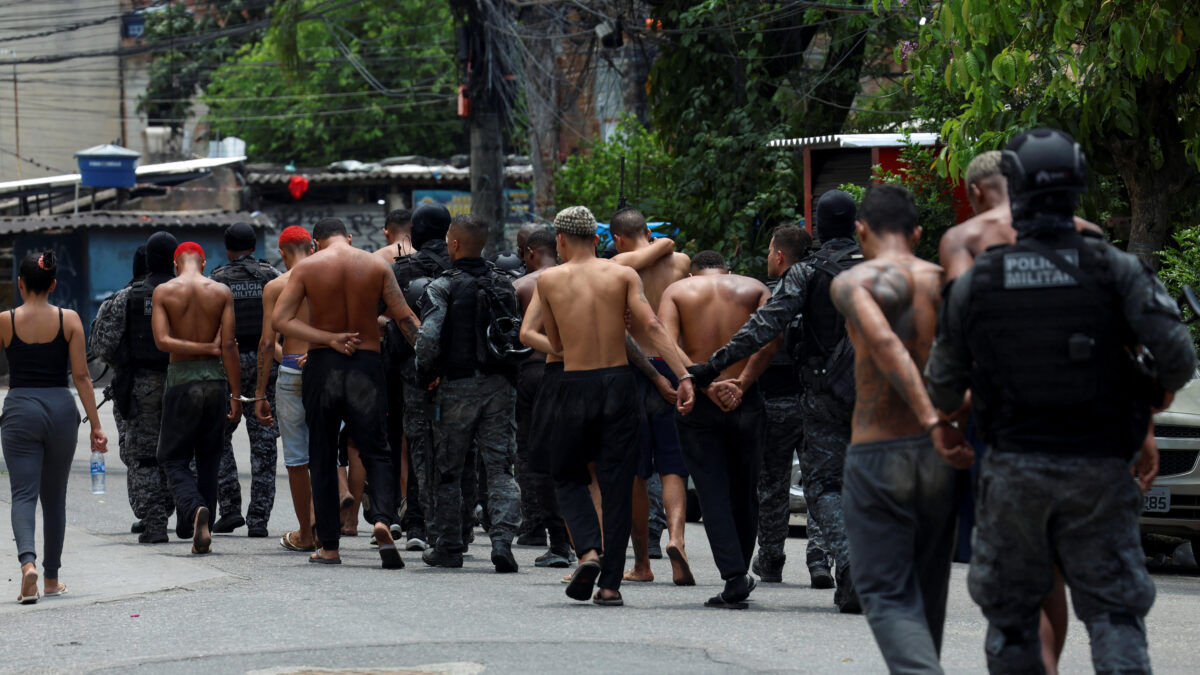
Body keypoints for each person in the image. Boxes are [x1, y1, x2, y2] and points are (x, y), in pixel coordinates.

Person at [926, 128, 1197, 674]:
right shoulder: (1115, 269)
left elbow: (943, 385)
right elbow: (1177, 358)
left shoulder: (977, 280)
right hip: (1100, 467)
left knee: (1013, 619)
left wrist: (950, 427)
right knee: (1115, 616)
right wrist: (1148, 394)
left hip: (1013, 471)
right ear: (1078, 188)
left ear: (1016, 190)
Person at [939, 149, 1097, 672]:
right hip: (1082, 417)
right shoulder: (1088, 233)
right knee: (1054, 559)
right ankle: (1048, 661)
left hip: (1003, 420)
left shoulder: (966, 240)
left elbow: (963, 339)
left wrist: (952, 421)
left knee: (1011, 559)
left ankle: (1036, 664)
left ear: (979, 191)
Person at [688, 189, 865, 612]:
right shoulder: (883, 268)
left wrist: (714, 366)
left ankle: (852, 562)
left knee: (824, 485)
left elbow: (765, 326)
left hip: (825, 395)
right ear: (857, 224)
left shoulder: (807, 272)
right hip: (883, 395)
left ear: (818, 228)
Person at [825, 184, 957, 671]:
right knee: (929, 593)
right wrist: (951, 421)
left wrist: (927, 416)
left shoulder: (853, 282)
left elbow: (883, 341)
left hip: (879, 451)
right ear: (918, 233)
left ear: (861, 230)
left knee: (885, 592)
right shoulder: (946, 282)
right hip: (939, 456)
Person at [536, 205, 696, 606]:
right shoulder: (623, 274)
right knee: (617, 484)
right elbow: (653, 328)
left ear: (560, 240)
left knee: (569, 476)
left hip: (574, 384)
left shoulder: (549, 280)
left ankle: (589, 550)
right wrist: (687, 375)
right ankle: (609, 586)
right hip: (619, 384)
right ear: (597, 239)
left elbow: (555, 344)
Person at [273, 217, 420, 567]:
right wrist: (429, 364)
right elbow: (405, 318)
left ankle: (329, 547)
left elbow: (281, 319)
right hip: (367, 366)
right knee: (377, 450)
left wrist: (328, 338)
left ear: (316, 242)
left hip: (322, 365)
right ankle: (383, 519)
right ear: (350, 237)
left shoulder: (308, 268)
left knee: (322, 454)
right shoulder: (376, 265)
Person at [660, 251, 773, 608]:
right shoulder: (754, 288)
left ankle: (734, 575)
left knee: (712, 491)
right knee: (746, 489)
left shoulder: (678, 292)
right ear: (728, 271)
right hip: (746, 399)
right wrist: (740, 382)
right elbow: (771, 337)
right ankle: (739, 570)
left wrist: (704, 384)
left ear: (694, 273)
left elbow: (667, 344)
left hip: (698, 401)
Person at [415, 214, 524, 572]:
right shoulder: (504, 284)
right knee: (501, 467)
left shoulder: (442, 286)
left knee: (447, 469)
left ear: (456, 244)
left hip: (455, 390)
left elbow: (428, 338)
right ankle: (502, 541)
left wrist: (426, 374)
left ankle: (448, 546)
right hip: (500, 388)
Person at [2, 250, 108, 604]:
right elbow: (81, 376)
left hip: (19, 410)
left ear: (19, 284)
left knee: (22, 495)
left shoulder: (5, 321)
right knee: (54, 499)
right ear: (53, 285)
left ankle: (27, 564)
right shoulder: (69, 319)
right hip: (61, 410)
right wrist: (96, 425)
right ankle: (50, 579)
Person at [609, 207, 694, 585]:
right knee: (673, 465)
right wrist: (667, 242)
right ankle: (676, 537)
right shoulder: (681, 263)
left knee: (637, 473)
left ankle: (642, 563)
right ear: (648, 231)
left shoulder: (618, 265)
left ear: (618, 238)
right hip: (672, 365)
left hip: (635, 367)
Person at [747, 225, 833, 587]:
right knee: (819, 482)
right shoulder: (823, 293)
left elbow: (763, 342)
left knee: (772, 483)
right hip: (816, 399)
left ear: (779, 255)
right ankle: (819, 557)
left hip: (777, 400)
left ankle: (771, 558)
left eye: (769, 251)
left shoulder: (775, 296)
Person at [151, 242, 244, 555]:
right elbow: (229, 346)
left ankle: (193, 511)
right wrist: (236, 395)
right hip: (217, 383)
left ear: (176, 263)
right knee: (209, 458)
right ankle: (201, 527)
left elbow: (163, 342)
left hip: (181, 381)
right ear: (203, 262)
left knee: (171, 457)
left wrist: (197, 348)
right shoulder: (221, 292)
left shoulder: (164, 291)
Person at [90, 232, 179, 544]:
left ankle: (154, 522)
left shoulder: (125, 298)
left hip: (142, 386)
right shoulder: (194, 293)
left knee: (143, 457)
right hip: (186, 380)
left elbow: (101, 346)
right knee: (182, 451)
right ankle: (188, 511)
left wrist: (124, 363)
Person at [209, 222, 281, 537]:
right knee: (264, 442)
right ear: (255, 245)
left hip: (230, 364)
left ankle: (230, 509)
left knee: (220, 436)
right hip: (268, 362)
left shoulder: (216, 280)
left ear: (228, 248)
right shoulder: (273, 277)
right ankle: (259, 520)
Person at [390, 203, 454, 552]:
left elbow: (385, 319)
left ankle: (418, 520)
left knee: (418, 445)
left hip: (414, 373)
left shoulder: (401, 270)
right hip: (458, 374)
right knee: (456, 447)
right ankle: (456, 524)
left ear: (415, 232)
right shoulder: (464, 263)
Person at [253, 226, 317, 552]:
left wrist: (260, 393)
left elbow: (267, 343)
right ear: (313, 246)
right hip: (323, 367)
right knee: (325, 449)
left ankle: (306, 533)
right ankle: (325, 525)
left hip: (291, 368)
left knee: (296, 458)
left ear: (282, 252)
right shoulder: (327, 279)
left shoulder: (276, 286)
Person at [511, 228, 571, 564]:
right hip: (578, 372)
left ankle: (540, 529)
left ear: (531, 252)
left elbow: (512, 339)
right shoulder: (577, 280)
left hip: (533, 373)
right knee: (576, 454)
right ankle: (580, 535)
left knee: (532, 455)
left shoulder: (521, 286)